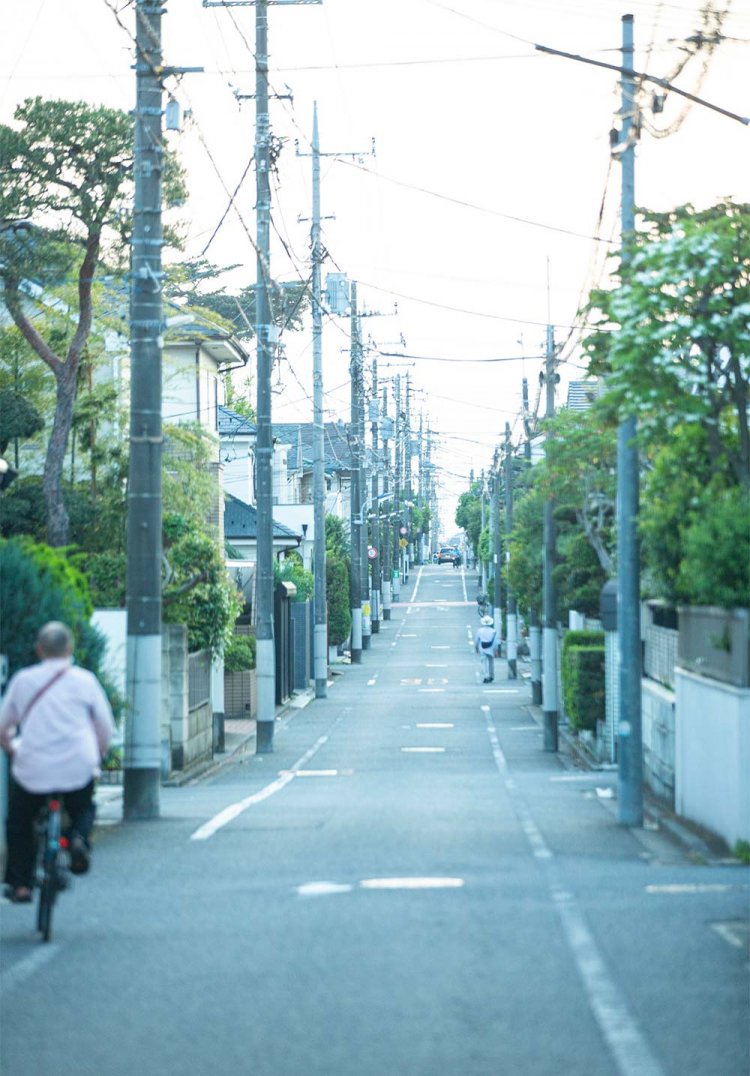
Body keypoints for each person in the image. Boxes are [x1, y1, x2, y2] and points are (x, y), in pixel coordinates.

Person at [0, 621, 114, 903]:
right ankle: (77, 840)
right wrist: (98, 756)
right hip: (77, 764)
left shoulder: (23, 681)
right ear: (70, 648)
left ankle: (21, 885)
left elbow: (3, 726)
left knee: (19, 822)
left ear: (39, 650)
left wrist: (13, 749)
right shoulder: (86, 681)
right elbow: (104, 727)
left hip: (33, 767)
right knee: (83, 807)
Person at [474, 615, 498, 683]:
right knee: (491, 663)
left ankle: (486, 676)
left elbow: (476, 640)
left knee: (484, 663)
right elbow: (495, 642)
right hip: (491, 649)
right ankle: (491, 676)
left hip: (482, 648)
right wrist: (496, 650)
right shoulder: (493, 631)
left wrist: (476, 647)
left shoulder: (480, 631)